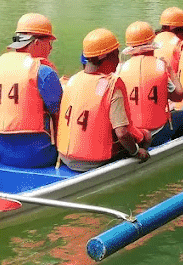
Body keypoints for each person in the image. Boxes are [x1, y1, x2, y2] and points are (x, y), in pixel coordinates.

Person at [0, 13, 64, 168]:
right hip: (42, 157)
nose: (51, 48)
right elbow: (61, 117)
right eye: (49, 42)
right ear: (35, 43)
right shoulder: (43, 72)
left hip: (4, 155)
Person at [56, 28, 150, 170]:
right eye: (116, 55)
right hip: (92, 162)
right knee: (146, 135)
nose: (118, 60)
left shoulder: (72, 80)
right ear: (104, 57)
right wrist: (136, 151)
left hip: (64, 156)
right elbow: (122, 133)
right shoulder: (112, 85)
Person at [118, 21, 183, 147]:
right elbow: (178, 96)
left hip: (133, 134)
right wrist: (171, 72)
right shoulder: (160, 67)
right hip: (157, 134)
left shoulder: (120, 69)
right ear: (152, 46)